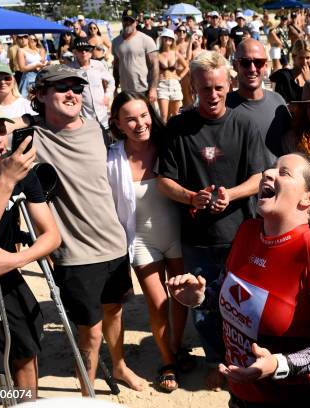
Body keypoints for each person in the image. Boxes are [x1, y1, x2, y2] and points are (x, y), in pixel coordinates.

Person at [167, 152, 310, 407]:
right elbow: (231, 293)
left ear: (308, 198)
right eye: (270, 169)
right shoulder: (247, 231)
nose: (267, 173)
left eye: (283, 172)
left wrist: (281, 365)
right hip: (239, 394)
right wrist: (201, 298)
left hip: (294, 399)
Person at [25, 64, 147, 393]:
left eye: (76, 88)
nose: (72, 94)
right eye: (61, 88)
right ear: (41, 95)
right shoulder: (29, 137)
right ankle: (87, 391)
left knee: (115, 312)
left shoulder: (96, 129)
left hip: (113, 244)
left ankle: (119, 366)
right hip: (75, 253)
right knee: (89, 332)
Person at [157, 51, 268, 391]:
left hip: (241, 233)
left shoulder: (244, 123)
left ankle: (243, 360)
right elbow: (164, 180)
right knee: (203, 307)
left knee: (244, 304)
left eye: (220, 87)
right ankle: (215, 362)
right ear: (193, 86)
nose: (214, 94)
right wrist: (191, 196)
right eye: (206, 88)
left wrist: (230, 195)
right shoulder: (178, 127)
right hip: (198, 237)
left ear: (229, 84)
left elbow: (258, 176)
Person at [0, 99, 60, 401]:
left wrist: (17, 259)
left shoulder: (21, 172)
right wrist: (5, 181)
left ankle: (25, 406)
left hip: (6, 276)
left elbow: (51, 235)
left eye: (2, 130)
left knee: (25, 357)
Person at [107, 92, 188, 393]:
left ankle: (176, 351)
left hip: (176, 234)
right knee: (158, 302)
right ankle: (167, 361)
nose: (139, 123)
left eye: (143, 115)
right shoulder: (112, 157)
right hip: (141, 240)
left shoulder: (168, 144)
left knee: (181, 298)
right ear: (118, 123)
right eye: (130, 118)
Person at [227, 39, 291, 160]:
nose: (252, 69)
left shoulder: (278, 102)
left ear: (266, 66)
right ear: (235, 66)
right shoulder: (223, 106)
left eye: (258, 62)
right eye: (245, 62)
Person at [69, 38, 115, 138]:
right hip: (84, 116)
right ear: (75, 52)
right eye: (81, 50)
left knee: (107, 140)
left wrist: (107, 96)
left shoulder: (98, 65)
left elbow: (111, 81)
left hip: (102, 114)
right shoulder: (70, 69)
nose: (84, 52)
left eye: (87, 49)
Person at [112, 9, 159, 104]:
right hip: (125, 91)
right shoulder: (116, 42)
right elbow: (116, 67)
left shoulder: (146, 40)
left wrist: (153, 89)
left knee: (148, 117)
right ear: (122, 21)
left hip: (144, 90)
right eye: (125, 20)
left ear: (136, 22)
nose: (128, 23)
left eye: (131, 21)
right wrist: (115, 87)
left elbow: (155, 66)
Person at [156, 29, 188, 123]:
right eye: (165, 37)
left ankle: (177, 136)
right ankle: (165, 136)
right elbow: (152, 71)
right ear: (162, 39)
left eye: (170, 38)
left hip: (174, 84)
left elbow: (186, 66)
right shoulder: (157, 54)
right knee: (164, 116)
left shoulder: (175, 53)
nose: (167, 39)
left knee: (177, 114)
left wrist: (180, 77)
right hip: (162, 85)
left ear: (173, 40)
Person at [270, 39, 310, 103]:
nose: (304, 62)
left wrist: (308, 81)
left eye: (308, 58)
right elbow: (281, 103)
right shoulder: (284, 77)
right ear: (293, 57)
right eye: (301, 58)